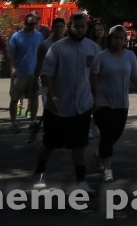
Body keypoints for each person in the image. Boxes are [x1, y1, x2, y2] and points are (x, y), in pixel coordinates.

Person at [34, 14, 99, 191]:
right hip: (58, 106)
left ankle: (81, 182)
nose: (79, 29)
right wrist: (51, 95)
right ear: (70, 27)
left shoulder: (93, 48)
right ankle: (40, 174)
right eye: (76, 26)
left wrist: (95, 97)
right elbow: (45, 74)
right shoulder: (57, 48)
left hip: (82, 105)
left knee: (80, 145)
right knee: (49, 145)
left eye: (82, 26)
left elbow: (93, 75)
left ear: (87, 27)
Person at [94, 26, 137, 181]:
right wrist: (92, 98)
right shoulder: (101, 56)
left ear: (125, 39)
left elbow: (135, 75)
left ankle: (101, 153)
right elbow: (92, 77)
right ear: (110, 38)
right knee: (107, 133)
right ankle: (107, 169)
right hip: (102, 101)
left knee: (116, 133)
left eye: (121, 38)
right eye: (115, 37)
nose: (119, 40)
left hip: (121, 101)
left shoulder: (130, 56)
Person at [8, 14, 45, 133]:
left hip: (33, 72)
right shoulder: (17, 36)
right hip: (20, 72)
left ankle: (33, 121)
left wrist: (40, 68)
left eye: (34, 23)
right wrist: (13, 67)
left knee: (34, 97)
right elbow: (10, 52)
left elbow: (40, 52)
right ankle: (13, 122)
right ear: (25, 23)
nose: (32, 26)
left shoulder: (39, 36)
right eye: (29, 23)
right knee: (15, 98)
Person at [35, 17, 67, 82]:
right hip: (48, 78)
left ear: (64, 28)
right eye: (57, 27)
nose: (59, 29)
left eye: (61, 27)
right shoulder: (45, 44)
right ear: (52, 28)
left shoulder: (69, 44)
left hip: (64, 78)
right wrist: (35, 79)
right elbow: (39, 63)